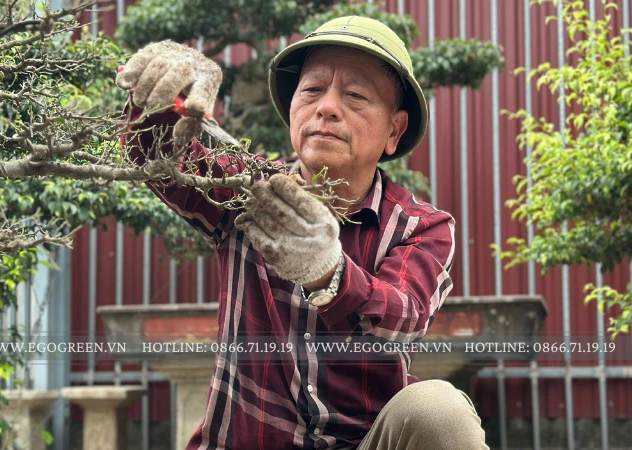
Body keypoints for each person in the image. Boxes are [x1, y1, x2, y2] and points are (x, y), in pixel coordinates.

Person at [116, 16, 489, 450]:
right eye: (312, 90)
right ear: (292, 108)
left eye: (355, 95)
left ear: (395, 130)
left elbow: (400, 321)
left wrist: (326, 272)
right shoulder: (248, 189)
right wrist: (172, 82)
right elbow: (155, 153)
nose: (327, 107)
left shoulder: (422, 227)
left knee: (438, 410)